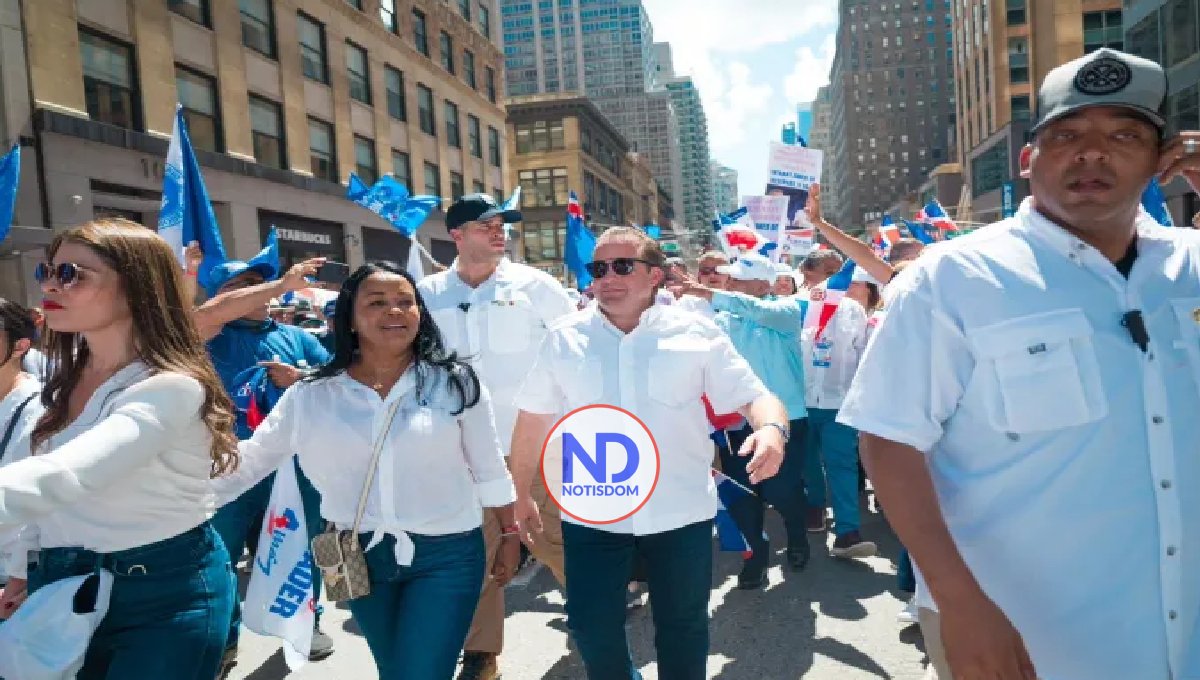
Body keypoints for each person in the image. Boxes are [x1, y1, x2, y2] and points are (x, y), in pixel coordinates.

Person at [839, 48, 1200, 680]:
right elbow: (890, 440)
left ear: (1162, 158)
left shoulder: (1189, 267)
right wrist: (959, 602)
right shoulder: (953, 278)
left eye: (1125, 135)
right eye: (1067, 135)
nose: (1093, 153)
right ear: (1028, 158)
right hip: (1027, 638)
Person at [212, 262, 519, 680]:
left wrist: (509, 535)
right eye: (377, 303)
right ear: (350, 320)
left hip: (446, 555)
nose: (395, 311)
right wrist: (168, 497)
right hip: (347, 552)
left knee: (422, 673)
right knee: (393, 670)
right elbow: (249, 464)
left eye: (405, 302)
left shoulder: (454, 382)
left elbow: (489, 467)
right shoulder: (312, 395)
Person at [510, 227, 790, 679]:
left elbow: (755, 396)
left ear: (655, 275)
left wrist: (772, 430)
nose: (608, 277)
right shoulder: (564, 338)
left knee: (683, 627)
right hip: (592, 512)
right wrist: (520, 492)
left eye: (623, 266)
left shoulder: (697, 333)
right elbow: (532, 420)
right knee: (591, 628)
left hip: (679, 514)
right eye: (599, 268)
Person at [0, 218, 238, 677]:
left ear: (136, 287)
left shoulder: (171, 387)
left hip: (164, 596)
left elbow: (66, 475)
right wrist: (23, 564)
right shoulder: (61, 379)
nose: (51, 283)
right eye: (46, 271)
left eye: (71, 274)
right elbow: (43, 468)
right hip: (65, 580)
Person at [417, 193, 574, 680]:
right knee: (476, 549)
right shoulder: (425, 293)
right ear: (456, 235)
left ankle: (593, 610)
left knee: (553, 537)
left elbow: (577, 347)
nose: (499, 231)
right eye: (487, 224)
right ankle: (482, 653)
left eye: (502, 224)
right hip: (461, 446)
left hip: (536, 441)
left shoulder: (536, 285)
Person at [192, 255, 335, 669]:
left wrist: (300, 376)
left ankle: (307, 622)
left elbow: (336, 381)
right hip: (226, 467)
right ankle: (223, 637)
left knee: (301, 546)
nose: (254, 292)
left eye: (259, 282)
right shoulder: (202, 338)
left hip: (292, 466)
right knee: (221, 555)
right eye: (240, 285)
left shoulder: (296, 336)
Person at [672, 252, 811, 587]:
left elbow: (755, 309)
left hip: (784, 419)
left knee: (782, 489)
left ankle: (797, 536)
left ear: (765, 284)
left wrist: (710, 293)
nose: (729, 280)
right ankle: (757, 553)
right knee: (742, 492)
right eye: (727, 277)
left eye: (738, 277)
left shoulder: (785, 312)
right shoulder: (720, 319)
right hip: (735, 421)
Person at [799, 265, 876, 558]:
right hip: (802, 402)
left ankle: (847, 532)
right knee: (808, 462)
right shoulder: (799, 306)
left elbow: (865, 354)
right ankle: (815, 508)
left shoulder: (853, 313)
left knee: (841, 465)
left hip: (840, 403)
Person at [0, 300, 45, 611]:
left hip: (13, 583)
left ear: (20, 346)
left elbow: (40, 511)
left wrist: (18, 581)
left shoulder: (43, 413)